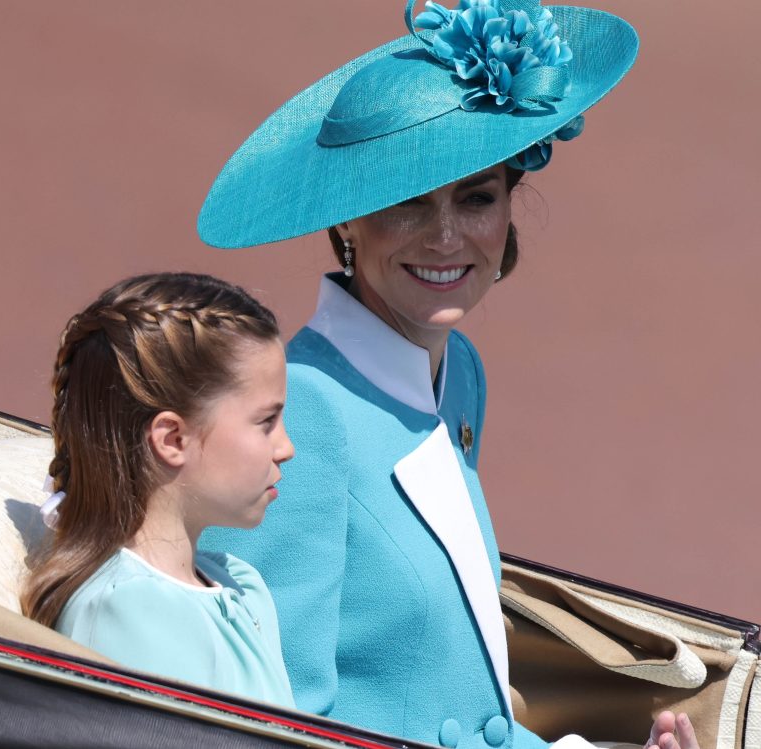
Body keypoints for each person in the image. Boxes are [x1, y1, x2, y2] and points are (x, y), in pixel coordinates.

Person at [198, 1, 699, 749]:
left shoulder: (458, 373)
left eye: (476, 197)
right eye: (408, 201)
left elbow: (456, 699)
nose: (444, 236)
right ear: (347, 219)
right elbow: (273, 721)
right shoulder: (299, 410)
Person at [20, 272, 295, 707]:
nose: (286, 448)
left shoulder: (240, 583)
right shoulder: (126, 610)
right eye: (266, 422)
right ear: (172, 439)